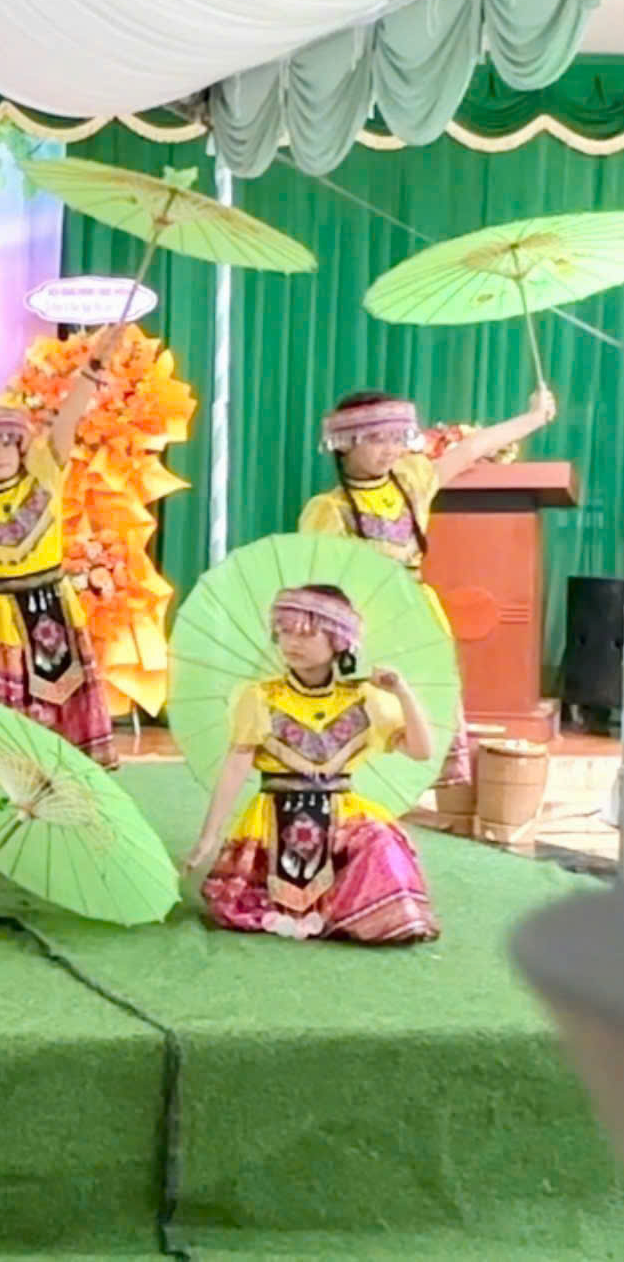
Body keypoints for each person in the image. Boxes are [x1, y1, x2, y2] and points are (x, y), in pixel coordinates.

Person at [0, 329, 121, 886]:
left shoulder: (44, 481)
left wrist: (93, 367)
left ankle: (84, 844)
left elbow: (67, 421)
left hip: (52, 621)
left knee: (62, 737)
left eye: (6, 443)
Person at [297, 386, 557, 786]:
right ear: (344, 443)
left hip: (418, 617)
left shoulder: (412, 479)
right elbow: (322, 583)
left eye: (395, 438)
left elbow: (472, 449)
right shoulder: (330, 510)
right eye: (376, 439)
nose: (389, 450)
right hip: (366, 624)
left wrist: (533, 417)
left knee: (421, 713)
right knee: (372, 717)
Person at [182, 585, 441, 944]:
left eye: (307, 633)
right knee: (238, 902)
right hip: (273, 817)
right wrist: (208, 836)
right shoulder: (260, 697)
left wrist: (402, 691)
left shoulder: (365, 698)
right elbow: (236, 766)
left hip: (342, 815)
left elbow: (421, 750)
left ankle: (360, 912)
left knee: (381, 838)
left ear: (339, 639)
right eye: (285, 631)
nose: (292, 643)